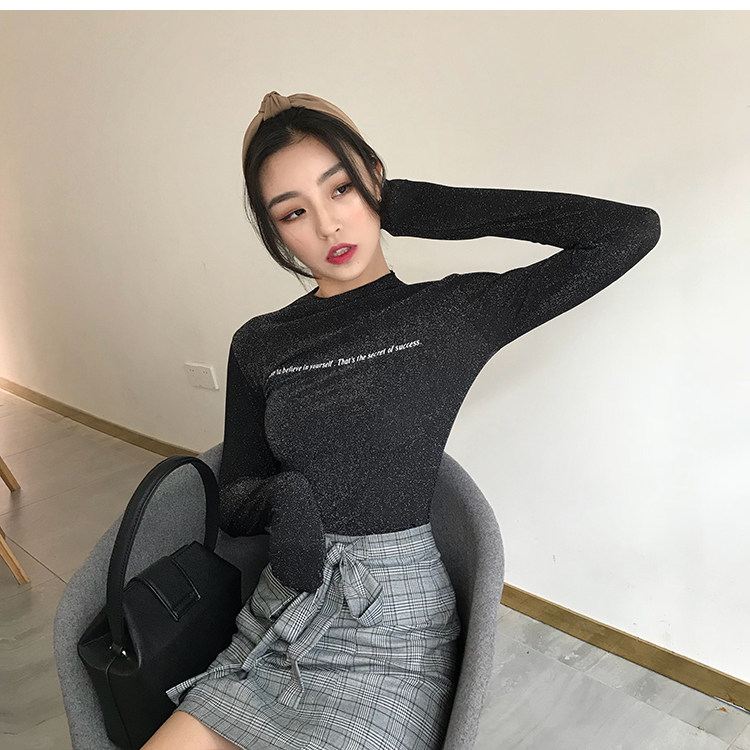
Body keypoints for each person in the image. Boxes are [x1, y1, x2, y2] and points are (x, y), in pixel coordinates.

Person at [143, 91, 661, 750]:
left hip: (395, 629)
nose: (328, 226)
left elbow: (628, 231)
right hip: (281, 614)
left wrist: (421, 206)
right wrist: (281, 499)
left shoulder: (453, 313)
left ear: (376, 181)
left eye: (342, 190)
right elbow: (235, 498)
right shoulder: (259, 343)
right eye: (294, 212)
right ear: (276, 233)